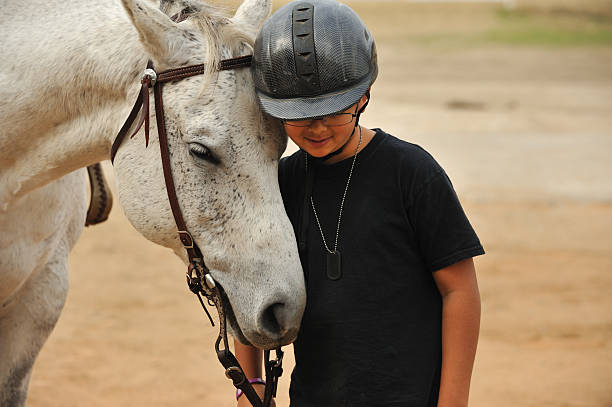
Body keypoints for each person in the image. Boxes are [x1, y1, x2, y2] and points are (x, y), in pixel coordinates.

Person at [234, 1, 484, 406]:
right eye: (298, 114)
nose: (316, 128)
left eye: (332, 111)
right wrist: (252, 385)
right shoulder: (280, 184)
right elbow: (248, 285)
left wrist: (453, 401)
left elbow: (460, 290)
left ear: (364, 94)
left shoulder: (412, 173)